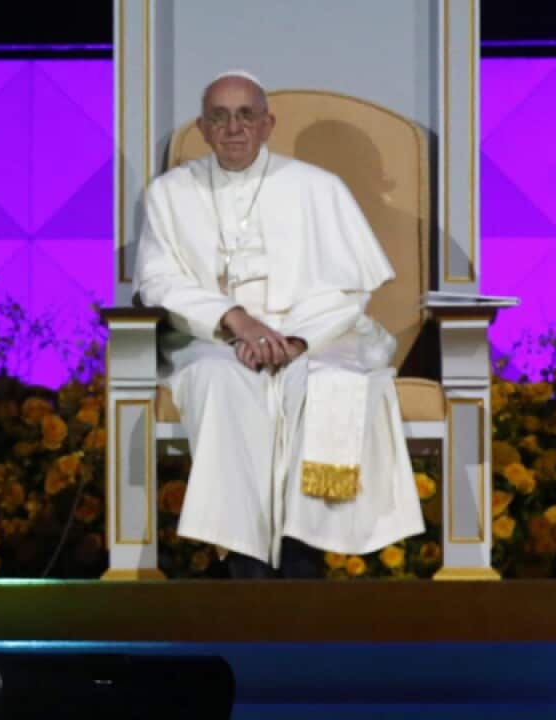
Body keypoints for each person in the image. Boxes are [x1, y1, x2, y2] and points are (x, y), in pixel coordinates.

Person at [134, 70, 424, 579]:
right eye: (219, 117)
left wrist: (293, 339)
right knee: (221, 383)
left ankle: (303, 549)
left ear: (268, 124)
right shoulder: (169, 193)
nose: (233, 129)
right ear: (203, 128)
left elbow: (350, 289)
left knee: (325, 385)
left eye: (246, 115)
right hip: (213, 340)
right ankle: (244, 559)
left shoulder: (318, 188)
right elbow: (158, 282)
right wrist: (233, 320)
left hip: (315, 338)